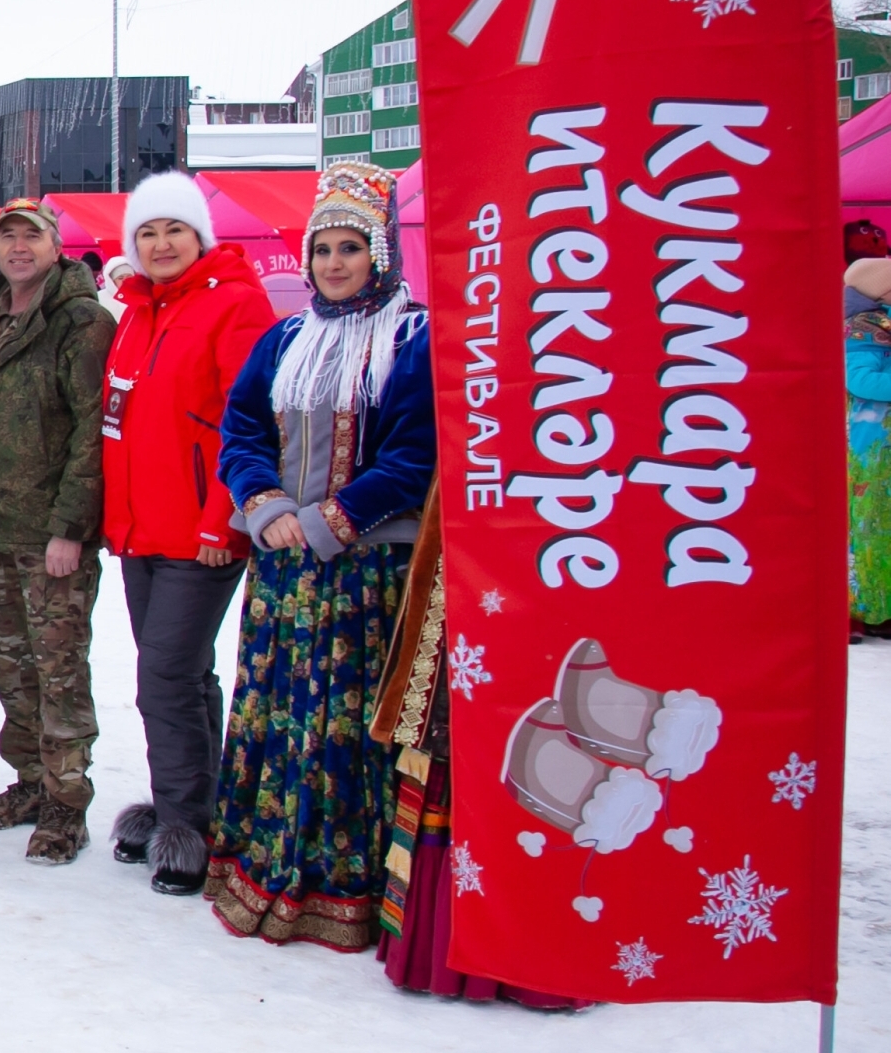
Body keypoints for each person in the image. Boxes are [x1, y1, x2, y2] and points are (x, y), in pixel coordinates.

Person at [207, 161, 432, 951]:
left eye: (349, 248)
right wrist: (265, 507)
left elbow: (415, 454)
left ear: (382, 253)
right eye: (323, 250)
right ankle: (265, 861)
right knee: (277, 712)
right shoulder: (286, 338)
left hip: (364, 570)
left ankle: (342, 886)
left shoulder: (412, 336)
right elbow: (241, 431)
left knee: (341, 724)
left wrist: (333, 520)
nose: (333, 264)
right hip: (282, 566)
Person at [99, 172, 278, 896]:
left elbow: (253, 422)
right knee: (184, 674)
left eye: (174, 230)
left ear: (199, 236)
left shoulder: (235, 303)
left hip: (201, 532)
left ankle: (182, 829)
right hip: (145, 532)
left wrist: (223, 518)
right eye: (147, 233)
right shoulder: (138, 313)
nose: (161, 243)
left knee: (164, 677)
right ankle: (197, 810)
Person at [367, 501, 588, 1009]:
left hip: (568, 533)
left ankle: (537, 958)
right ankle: (444, 948)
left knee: (547, 711)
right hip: (479, 532)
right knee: (463, 716)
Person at [0, 199, 111, 863]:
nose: (19, 247)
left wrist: (70, 527)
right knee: (12, 664)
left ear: (55, 246)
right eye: (7, 237)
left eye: (32, 236)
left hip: (52, 533)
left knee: (59, 668)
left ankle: (66, 805)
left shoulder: (81, 320)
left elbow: (90, 432)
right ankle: (29, 782)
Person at [848, 258, 891, 637]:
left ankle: (881, 608)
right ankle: (862, 610)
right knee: (869, 525)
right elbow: (861, 381)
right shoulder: (863, 330)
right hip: (871, 450)